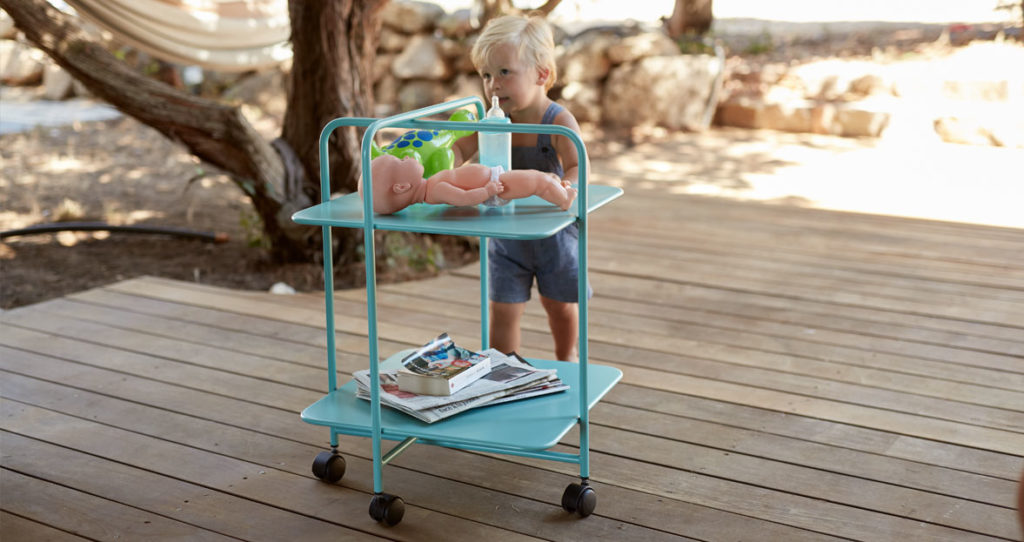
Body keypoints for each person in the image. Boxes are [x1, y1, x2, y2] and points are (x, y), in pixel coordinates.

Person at [452, 14, 589, 361]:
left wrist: (568, 186)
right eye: (486, 75)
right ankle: (503, 371)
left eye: (504, 72)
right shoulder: (492, 121)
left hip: (553, 234)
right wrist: (441, 169)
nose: (493, 85)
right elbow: (459, 151)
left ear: (541, 74)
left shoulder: (558, 122)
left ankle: (567, 356)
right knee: (503, 310)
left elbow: (578, 164)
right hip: (506, 233)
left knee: (560, 306)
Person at [362, 154, 577, 214]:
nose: (408, 157)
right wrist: (487, 190)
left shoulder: (431, 186)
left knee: (539, 177)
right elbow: (464, 198)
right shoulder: (436, 190)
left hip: (494, 181)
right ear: (402, 187)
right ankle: (563, 199)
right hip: (495, 187)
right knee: (537, 181)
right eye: (401, 161)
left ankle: (557, 187)